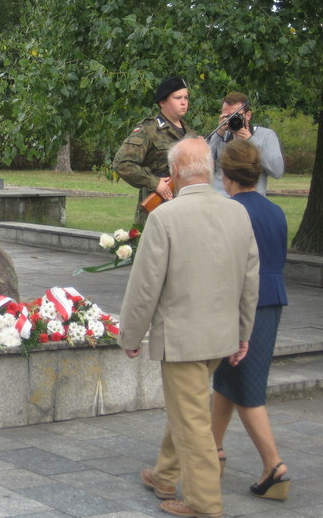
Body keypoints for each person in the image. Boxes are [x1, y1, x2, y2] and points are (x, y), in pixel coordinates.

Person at [118, 137, 259, 518]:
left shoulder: (166, 216)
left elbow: (145, 285)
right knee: (190, 407)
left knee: (193, 421)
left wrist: (130, 334)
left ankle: (204, 503)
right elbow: (250, 279)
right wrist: (244, 333)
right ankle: (165, 475)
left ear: (175, 172)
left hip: (181, 341)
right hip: (221, 337)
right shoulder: (238, 213)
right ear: (210, 170)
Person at [211, 139, 290, 501]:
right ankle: (212, 450)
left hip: (244, 303)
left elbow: (226, 265)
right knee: (228, 379)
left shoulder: (231, 211)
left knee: (248, 389)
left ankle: (274, 466)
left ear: (225, 174)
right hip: (272, 301)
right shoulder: (275, 211)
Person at [113, 76, 195, 225]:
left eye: (186, 98)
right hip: (158, 209)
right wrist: (154, 182)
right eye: (178, 98)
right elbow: (122, 163)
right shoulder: (149, 129)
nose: (184, 102)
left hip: (185, 209)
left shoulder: (190, 133)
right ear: (162, 102)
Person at [209, 91, 284, 196]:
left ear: (248, 115)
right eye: (227, 117)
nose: (232, 120)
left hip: (252, 200)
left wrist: (251, 140)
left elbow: (278, 171)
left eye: (235, 116)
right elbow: (201, 166)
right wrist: (217, 135)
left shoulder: (266, 136)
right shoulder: (220, 136)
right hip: (221, 200)